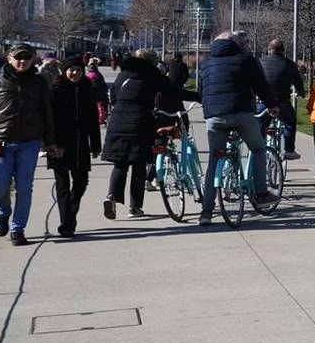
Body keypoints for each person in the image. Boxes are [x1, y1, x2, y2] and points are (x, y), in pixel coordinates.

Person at [0, 43, 59, 245]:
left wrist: (50, 141)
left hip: (29, 143)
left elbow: (48, 113)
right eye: (18, 57)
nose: (22, 61)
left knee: (25, 187)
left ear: (33, 59)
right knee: (0, 187)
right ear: (9, 58)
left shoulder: (39, 82)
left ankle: (18, 229)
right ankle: (3, 213)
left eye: (27, 57)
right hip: (1, 141)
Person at [196, 30, 273, 226]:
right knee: (257, 149)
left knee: (214, 159)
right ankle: (261, 193)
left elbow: (201, 92)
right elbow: (260, 86)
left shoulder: (205, 64)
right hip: (241, 113)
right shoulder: (245, 60)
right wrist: (273, 106)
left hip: (214, 117)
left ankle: (206, 212)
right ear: (235, 44)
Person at [102, 49, 187, 218]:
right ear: (150, 62)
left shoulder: (123, 75)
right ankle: (135, 207)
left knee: (120, 164)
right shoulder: (150, 75)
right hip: (139, 122)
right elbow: (173, 91)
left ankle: (111, 196)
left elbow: (113, 98)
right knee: (139, 165)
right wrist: (200, 96)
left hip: (118, 122)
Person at [48, 56, 102, 238]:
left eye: (78, 70)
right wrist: (51, 144)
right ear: (64, 71)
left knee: (81, 182)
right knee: (63, 184)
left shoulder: (88, 88)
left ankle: (71, 208)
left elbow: (94, 119)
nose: (75, 73)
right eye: (71, 70)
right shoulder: (55, 89)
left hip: (81, 143)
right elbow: (49, 121)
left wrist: (96, 144)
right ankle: (66, 224)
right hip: (60, 144)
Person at [257, 38, 304, 158]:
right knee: (290, 121)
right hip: (282, 103)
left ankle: (259, 148)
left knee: (260, 123)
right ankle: (289, 150)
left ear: (269, 50)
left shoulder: (260, 62)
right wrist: (300, 92)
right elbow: (298, 82)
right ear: (283, 51)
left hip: (265, 103)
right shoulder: (289, 64)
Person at [84, 57, 111, 126]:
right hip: (98, 95)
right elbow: (99, 85)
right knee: (100, 107)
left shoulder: (88, 72)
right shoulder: (96, 73)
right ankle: (100, 119)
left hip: (91, 95)